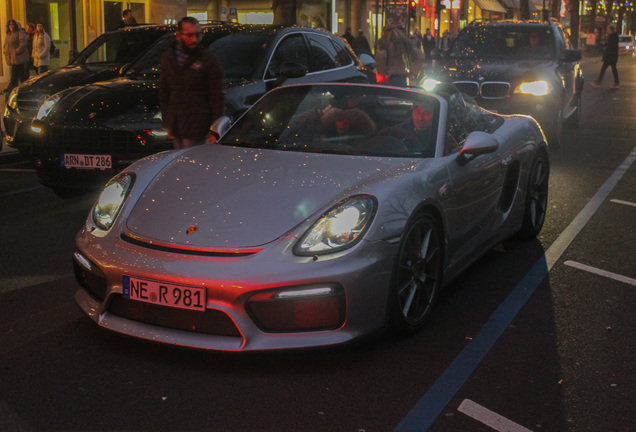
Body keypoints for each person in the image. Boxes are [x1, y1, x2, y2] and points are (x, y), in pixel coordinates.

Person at [159, 17, 226, 149]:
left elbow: (218, 96)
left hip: (198, 127)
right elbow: (164, 91)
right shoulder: (169, 58)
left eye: (198, 35)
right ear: (179, 36)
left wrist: (215, 130)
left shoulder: (208, 60)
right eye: (189, 35)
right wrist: (167, 122)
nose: (194, 40)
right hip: (176, 125)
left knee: (192, 164)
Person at [3, 19, 30, 93]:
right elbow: (6, 45)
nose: (11, 26)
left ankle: (22, 90)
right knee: (16, 75)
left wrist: (17, 51)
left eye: (12, 24)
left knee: (20, 76)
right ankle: (14, 90)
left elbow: (23, 42)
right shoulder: (9, 34)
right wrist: (6, 53)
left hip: (19, 58)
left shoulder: (20, 32)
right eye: (10, 25)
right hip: (12, 58)